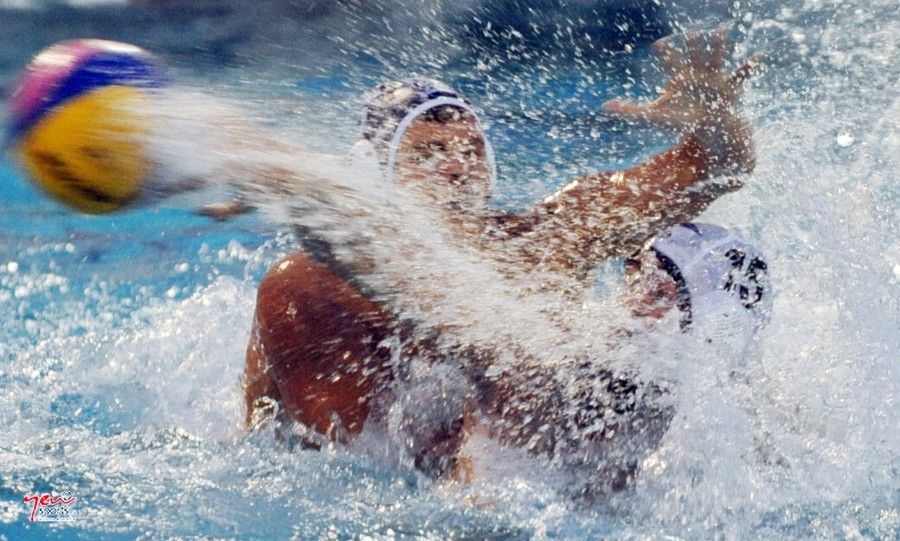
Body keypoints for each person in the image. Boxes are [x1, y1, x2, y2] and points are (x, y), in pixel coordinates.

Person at [242, 30, 765, 484]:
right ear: (373, 176)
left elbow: (719, 166)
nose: (457, 168)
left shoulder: (549, 237)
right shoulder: (317, 286)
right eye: (428, 153)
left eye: (471, 151)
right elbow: (349, 470)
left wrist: (713, 118)